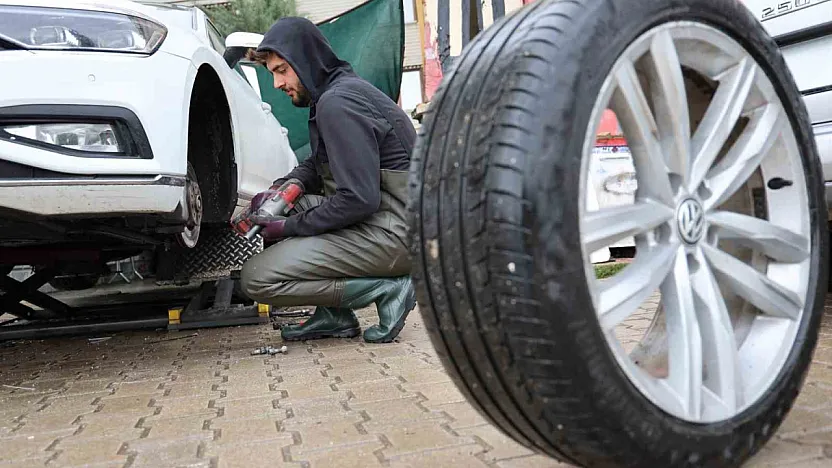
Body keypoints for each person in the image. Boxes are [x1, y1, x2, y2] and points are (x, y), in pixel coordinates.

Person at [239, 17, 417, 344]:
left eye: (281, 70)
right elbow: (318, 162)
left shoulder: (338, 104)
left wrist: (287, 228)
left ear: (305, 60)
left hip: (396, 233)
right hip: (392, 220)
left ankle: (388, 289)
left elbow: (358, 200)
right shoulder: (335, 95)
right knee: (285, 208)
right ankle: (333, 315)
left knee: (257, 278)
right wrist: (282, 190)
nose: (277, 84)